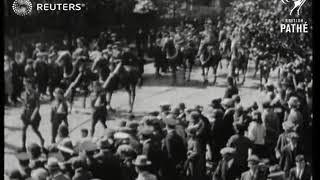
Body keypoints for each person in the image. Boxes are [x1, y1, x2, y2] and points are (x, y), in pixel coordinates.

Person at [20, 78, 45, 151]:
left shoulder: (35, 93)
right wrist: (22, 112)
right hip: (26, 115)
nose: (26, 87)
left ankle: (42, 139)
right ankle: (23, 146)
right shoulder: (23, 93)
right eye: (25, 85)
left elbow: (37, 106)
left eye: (27, 85)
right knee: (23, 129)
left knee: (35, 129)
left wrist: (33, 115)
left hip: (34, 114)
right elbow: (24, 104)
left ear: (30, 85)